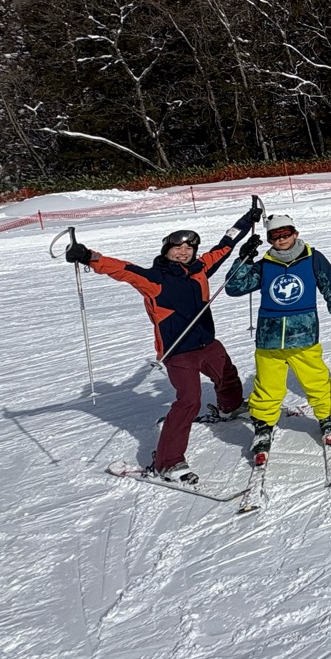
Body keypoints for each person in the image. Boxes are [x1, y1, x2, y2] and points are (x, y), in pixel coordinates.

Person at [65, 202, 261, 484]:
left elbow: (225, 245)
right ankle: (168, 462)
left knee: (227, 374)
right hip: (178, 351)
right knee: (189, 401)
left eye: (189, 248)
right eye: (177, 248)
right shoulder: (154, 279)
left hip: (207, 343)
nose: (184, 252)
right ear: (166, 250)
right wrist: (88, 256)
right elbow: (122, 269)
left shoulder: (200, 268)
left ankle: (229, 407)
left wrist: (247, 219)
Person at [223, 214, 331, 463]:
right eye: (275, 235)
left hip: (303, 335)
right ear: (269, 239)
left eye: (286, 233)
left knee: (316, 379)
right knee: (268, 385)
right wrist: (244, 259)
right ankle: (263, 425)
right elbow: (234, 287)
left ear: (295, 233)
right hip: (269, 337)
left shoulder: (313, 258)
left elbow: (329, 287)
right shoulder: (264, 264)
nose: (281, 239)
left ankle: (325, 415)